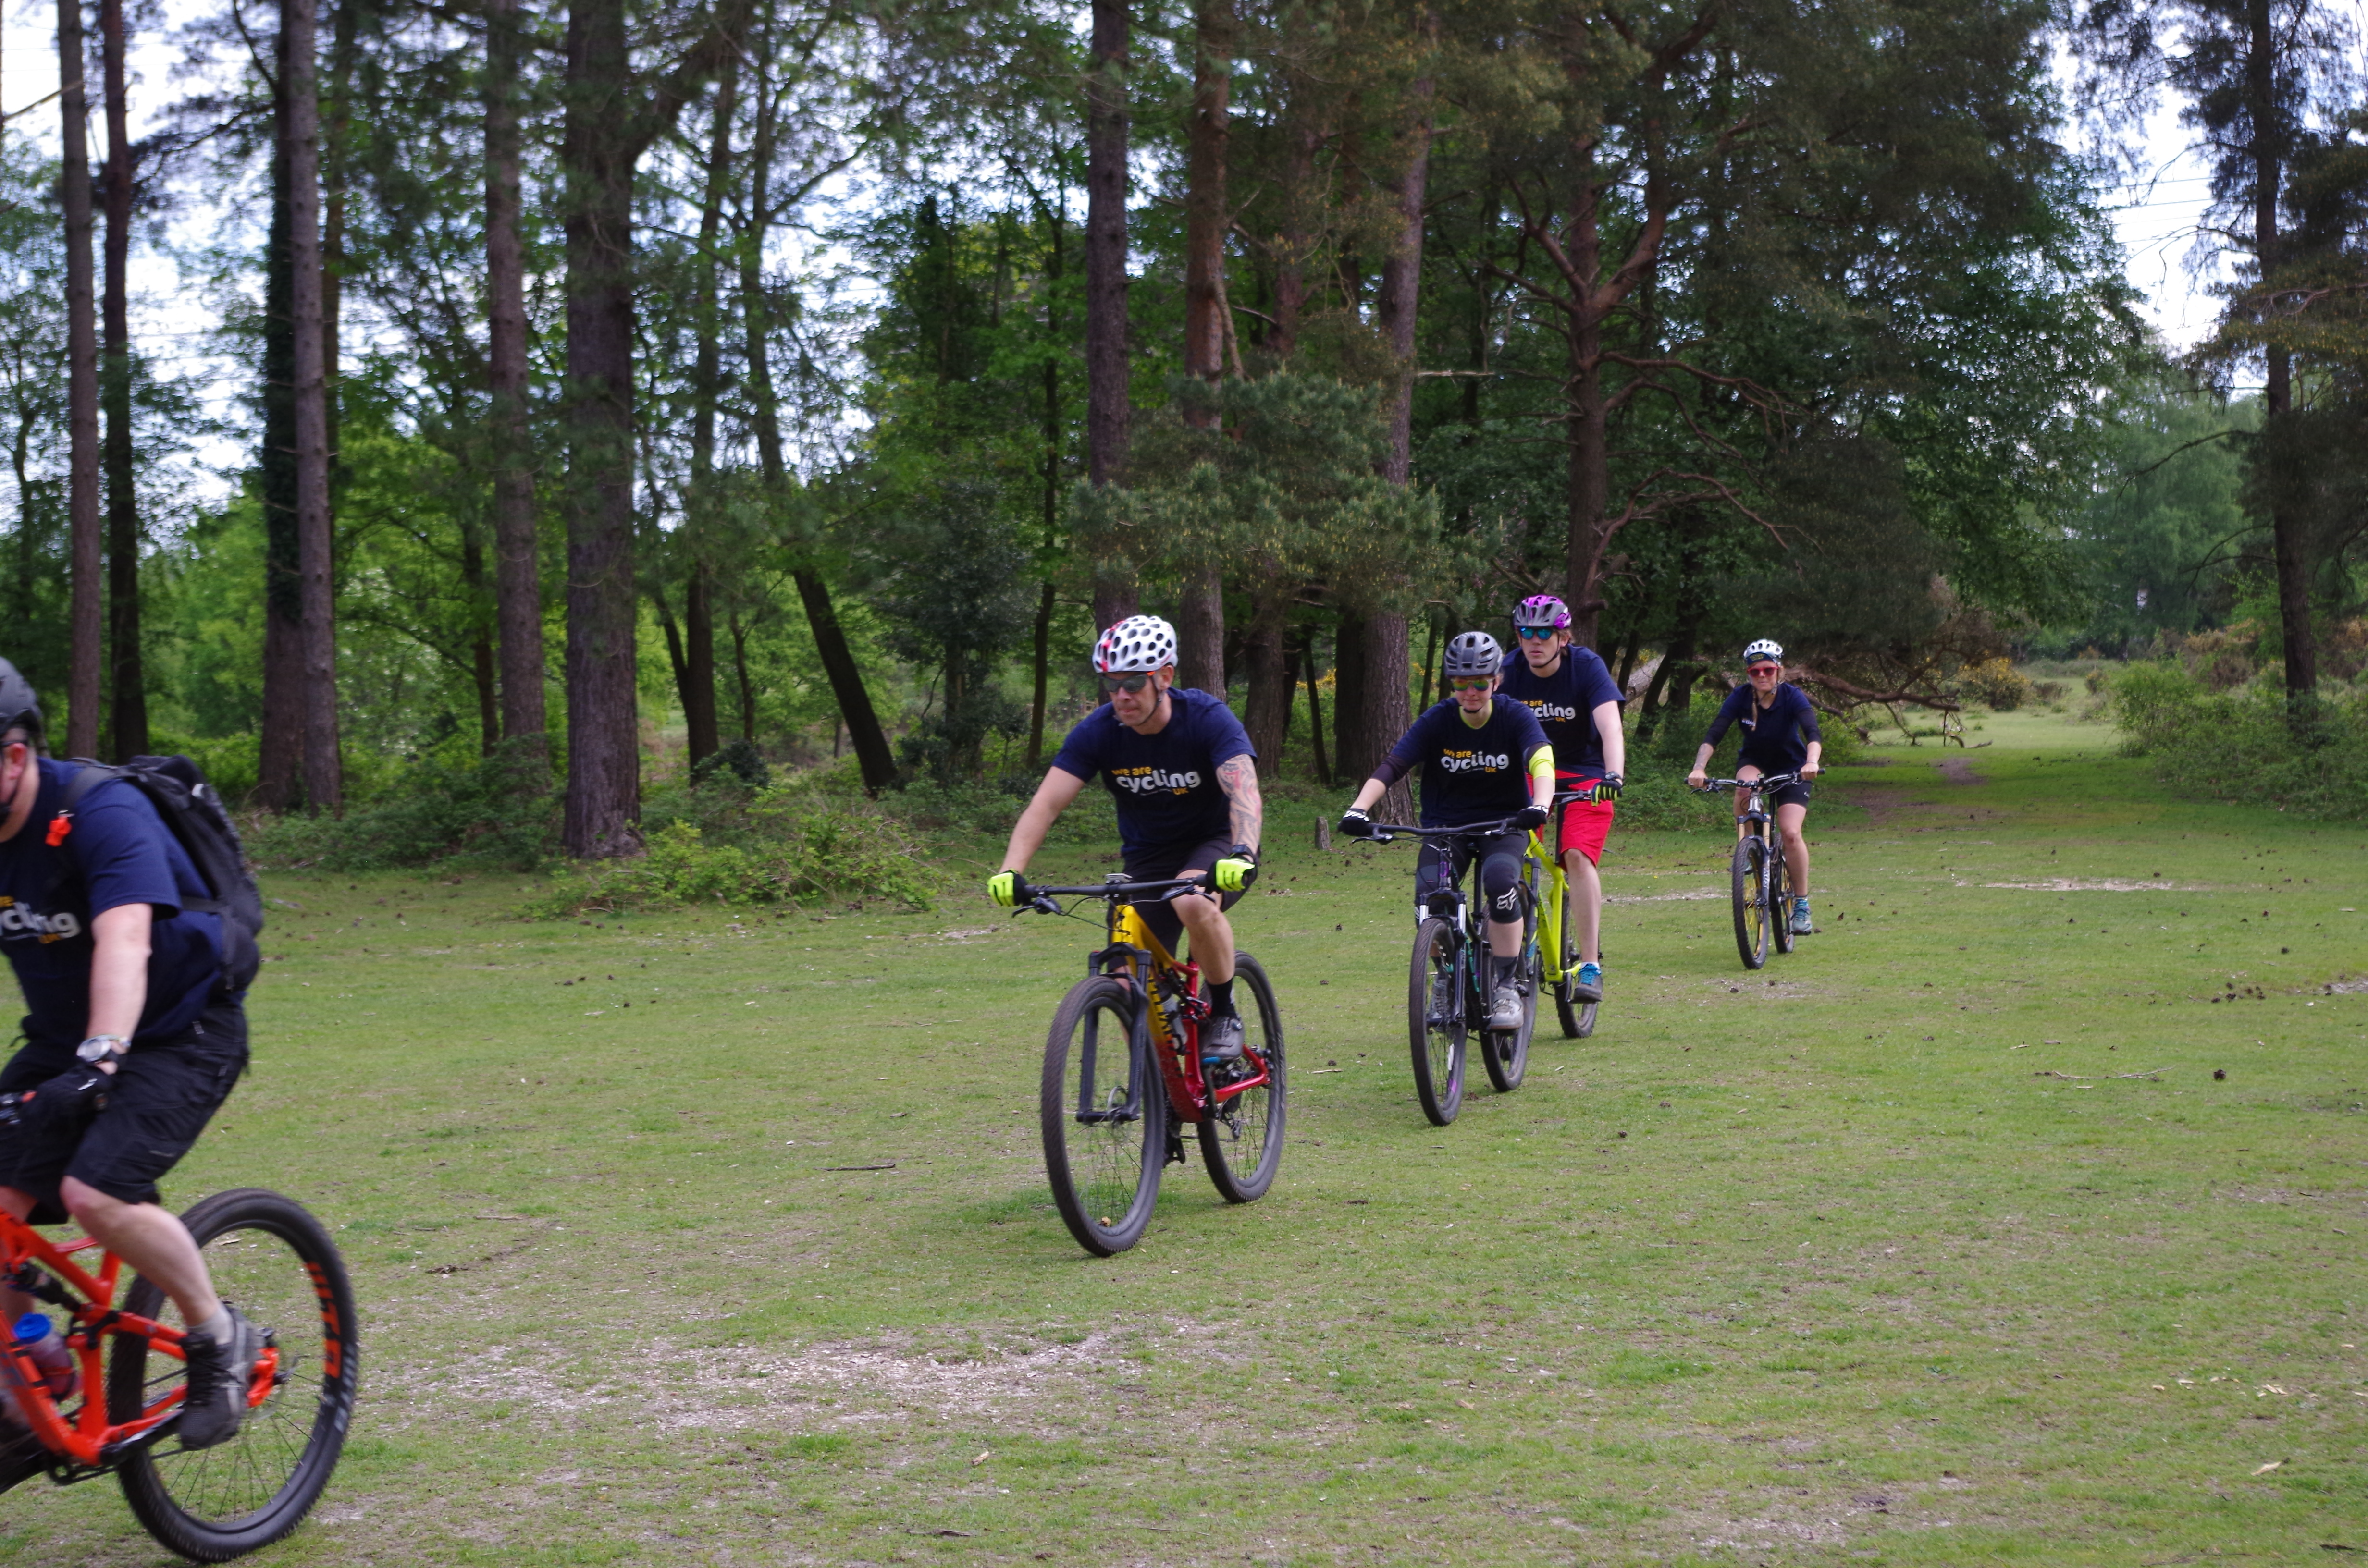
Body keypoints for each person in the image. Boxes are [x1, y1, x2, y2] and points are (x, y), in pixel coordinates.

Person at [0, 662, 258, 1448]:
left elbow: (125, 937)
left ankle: (219, 1338)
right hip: (60, 1039)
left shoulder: (97, 810)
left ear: (14, 758)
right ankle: (36, 1362)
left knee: (94, 1192)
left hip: (179, 1028)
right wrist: (75, 1056)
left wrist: (102, 1056)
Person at [989, 616, 1263, 1063]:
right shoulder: (1099, 731)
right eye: (1111, 684)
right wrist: (1011, 869)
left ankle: (1225, 1011)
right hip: (1147, 858)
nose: (1122, 695)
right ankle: (1163, 1098)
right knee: (1124, 983)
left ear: (1165, 678)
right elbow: (1046, 805)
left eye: (1134, 683)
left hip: (1217, 845)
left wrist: (1243, 852)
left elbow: (1244, 791)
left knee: (1191, 901)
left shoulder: (1207, 719)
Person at [1339, 632, 1554, 1031]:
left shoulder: (1514, 716)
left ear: (1497, 681)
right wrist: (1358, 809)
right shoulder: (1438, 719)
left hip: (1504, 823)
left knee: (1501, 880)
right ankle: (1444, 977)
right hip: (1446, 826)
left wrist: (1539, 805)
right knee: (1429, 899)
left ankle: (1507, 984)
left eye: (1479, 683)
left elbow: (1541, 758)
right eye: (1460, 683)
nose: (1470, 692)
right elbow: (1394, 765)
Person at [1498, 594, 1625, 1003]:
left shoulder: (1586, 666)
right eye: (1525, 633)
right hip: (1528, 770)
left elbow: (1610, 726)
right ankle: (1509, 948)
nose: (1533, 641)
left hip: (1584, 771)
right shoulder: (1510, 670)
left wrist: (1613, 774)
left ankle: (1590, 964)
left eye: (1543, 633)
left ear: (1563, 637)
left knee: (1576, 856)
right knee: (1506, 849)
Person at [1687, 638, 1824, 934]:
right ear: (1748, 673)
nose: (1761, 676)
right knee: (1743, 788)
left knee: (1790, 833)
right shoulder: (1740, 698)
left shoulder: (1793, 697)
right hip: (1756, 760)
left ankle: (1801, 903)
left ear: (1779, 671)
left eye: (1768, 670)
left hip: (1792, 767)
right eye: (1754, 671)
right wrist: (1699, 768)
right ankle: (1748, 850)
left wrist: (1811, 763)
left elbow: (1812, 732)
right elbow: (1714, 734)